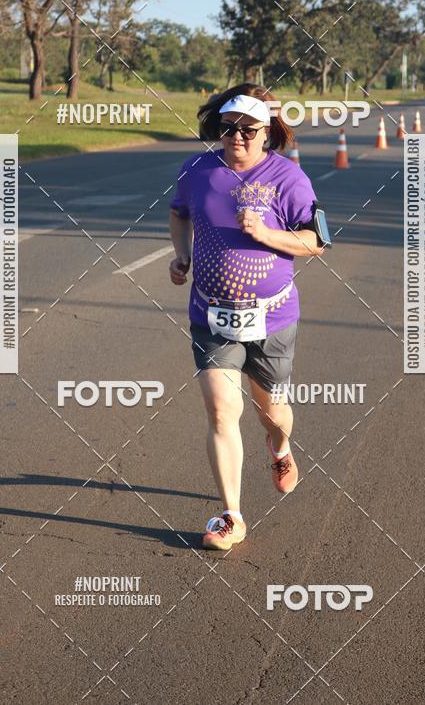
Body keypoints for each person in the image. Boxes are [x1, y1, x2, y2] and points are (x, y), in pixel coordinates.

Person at [168, 84, 325, 551]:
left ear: (267, 133)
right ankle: (231, 517)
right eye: (228, 128)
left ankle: (279, 449)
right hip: (211, 313)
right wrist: (182, 256)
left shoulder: (289, 178)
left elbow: (315, 243)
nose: (236, 137)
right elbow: (178, 214)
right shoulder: (197, 170)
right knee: (221, 409)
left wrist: (267, 233)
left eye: (248, 130)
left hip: (273, 318)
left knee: (271, 413)